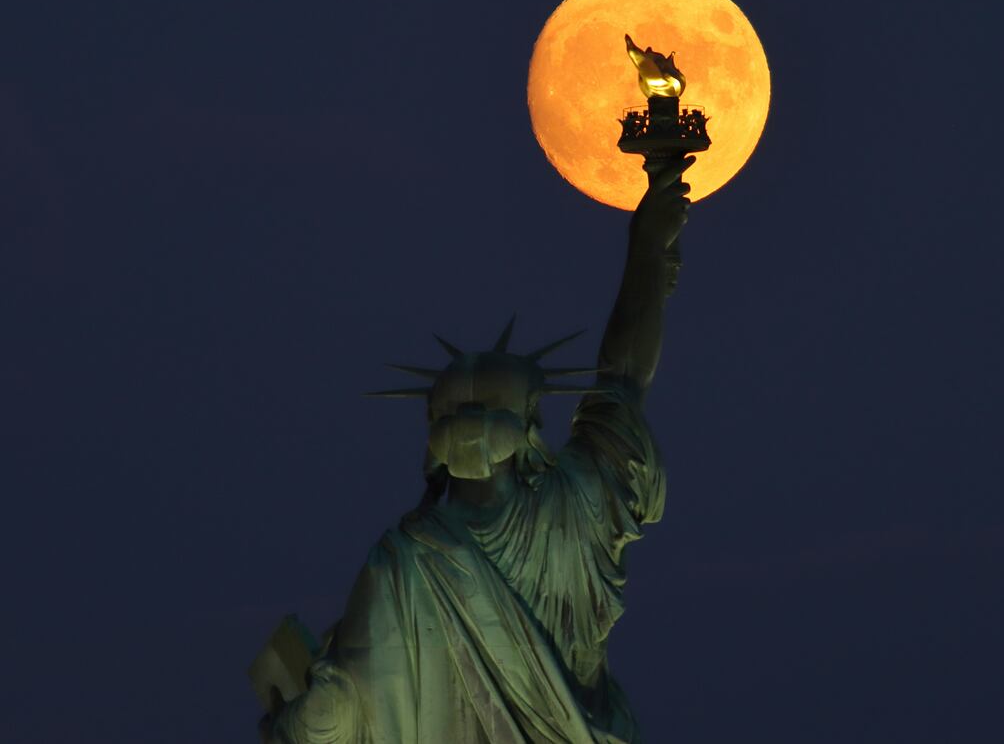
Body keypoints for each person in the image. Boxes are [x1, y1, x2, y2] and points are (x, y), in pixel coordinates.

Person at [258, 155, 695, 744]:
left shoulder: (403, 560)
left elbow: (334, 720)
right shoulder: (577, 508)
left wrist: (293, 713)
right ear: (531, 424)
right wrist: (646, 248)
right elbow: (623, 379)